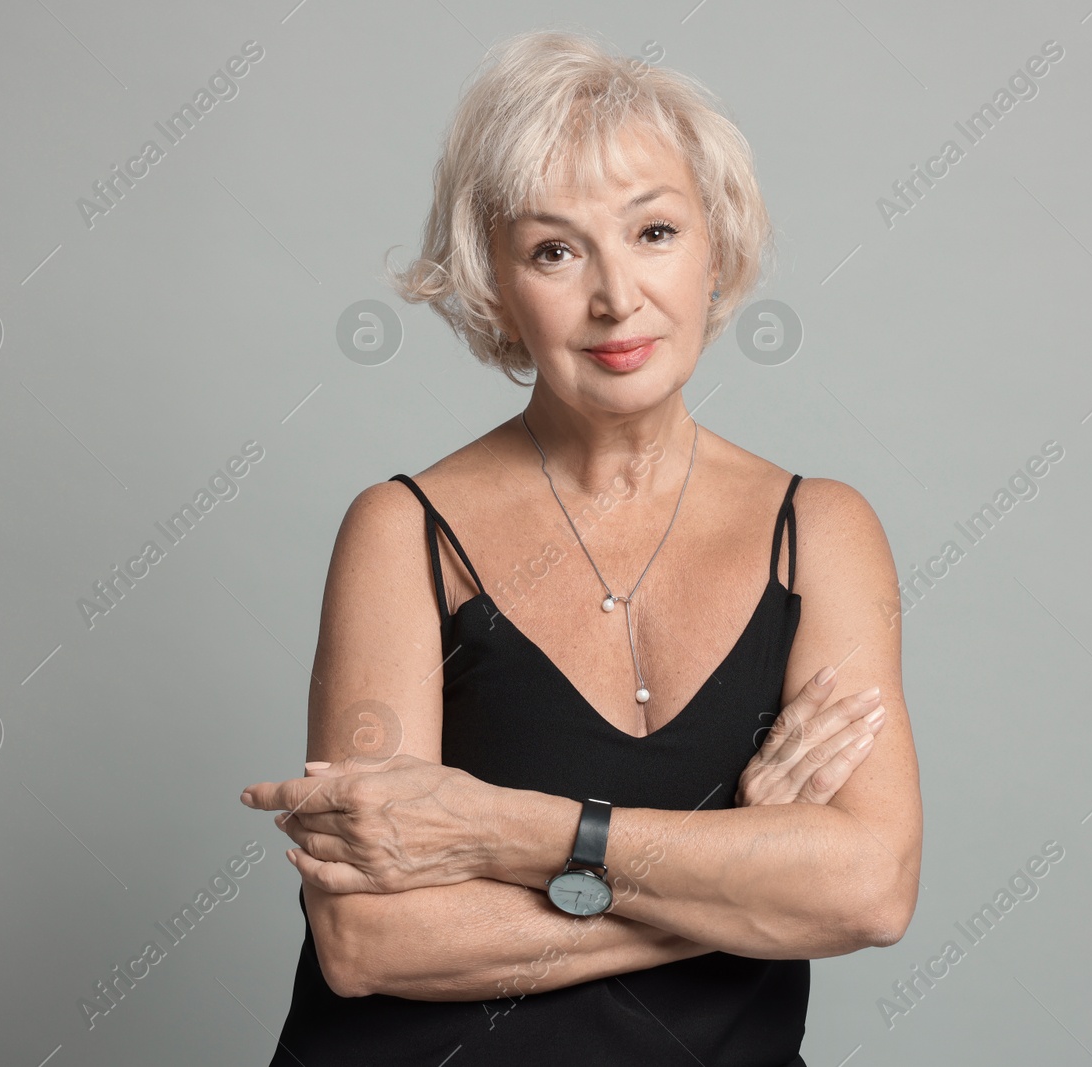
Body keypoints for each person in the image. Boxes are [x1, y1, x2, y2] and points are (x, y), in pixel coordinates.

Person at [240, 27, 922, 1066]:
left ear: (716, 246)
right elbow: (368, 938)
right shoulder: (403, 533)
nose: (616, 296)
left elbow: (870, 888)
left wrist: (503, 832)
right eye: (554, 250)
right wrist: (737, 863)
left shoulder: (822, 532)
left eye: (653, 232)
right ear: (496, 285)